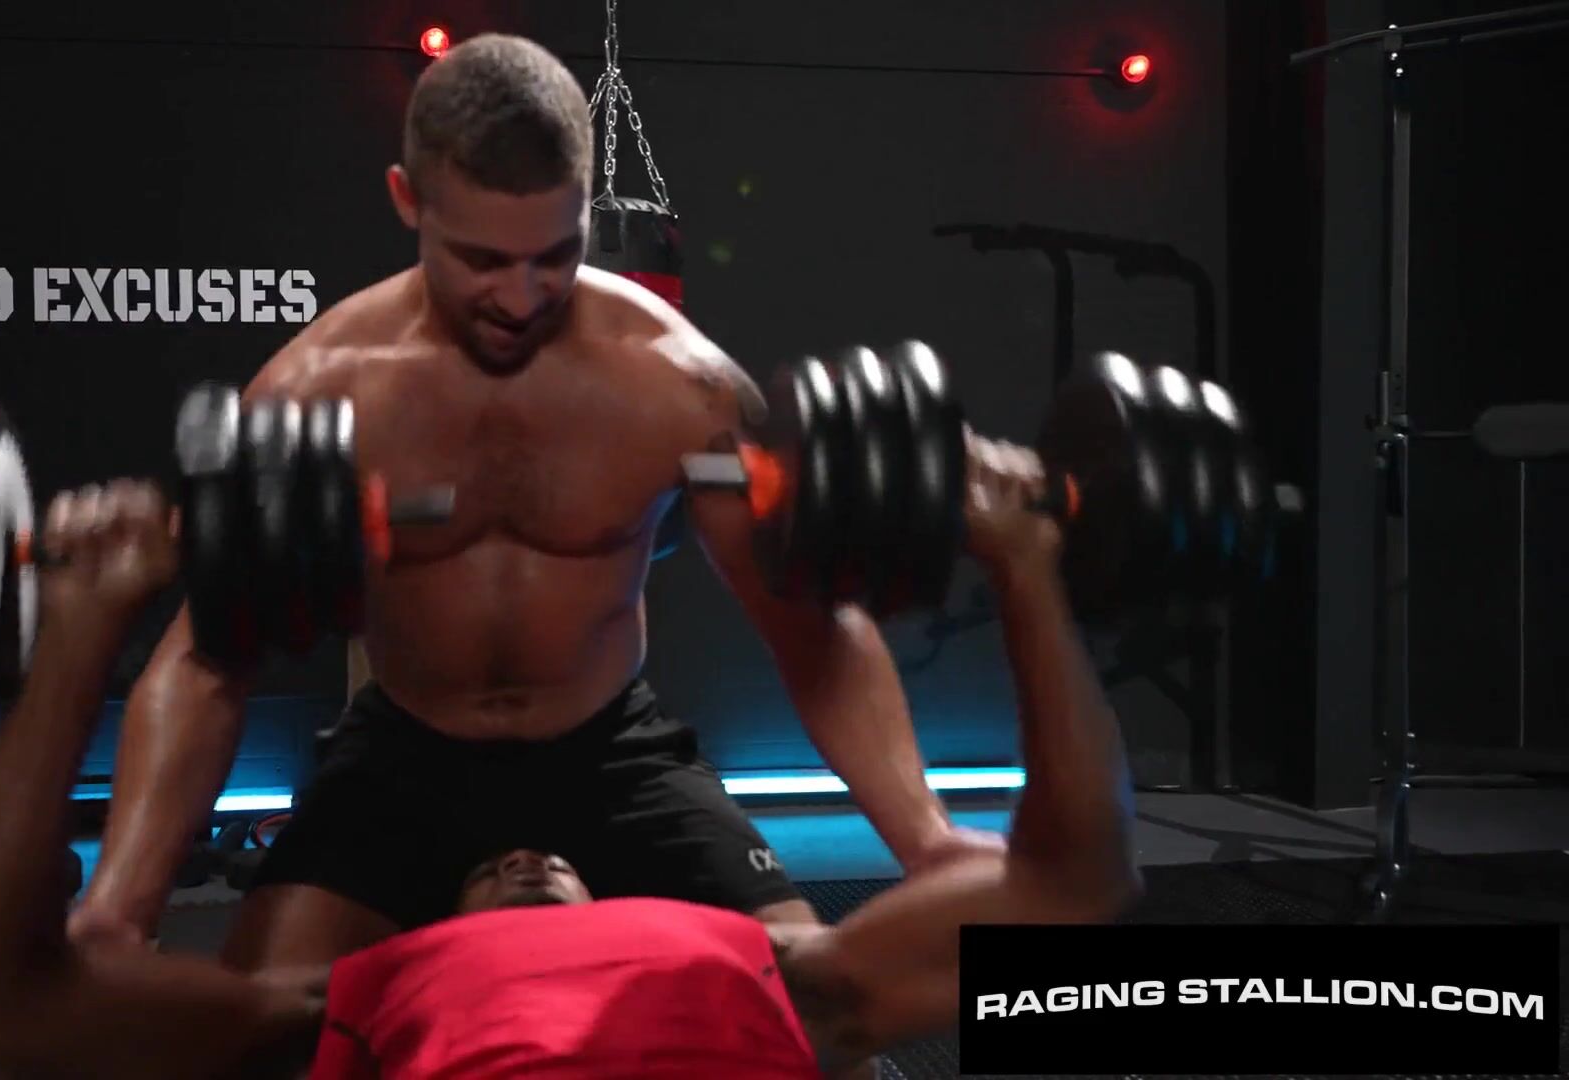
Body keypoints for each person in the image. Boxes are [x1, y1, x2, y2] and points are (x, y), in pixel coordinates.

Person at [70, 32, 961, 962]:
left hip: (610, 752)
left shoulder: (674, 385)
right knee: (260, 1013)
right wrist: (121, 907)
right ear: (408, 200)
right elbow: (207, 660)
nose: (523, 297)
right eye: (483, 260)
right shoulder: (323, 391)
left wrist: (928, 840)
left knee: (803, 999)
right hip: (405, 758)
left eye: (556, 254)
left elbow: (811, 630)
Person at [0, 465, 1138, 1079]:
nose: (526, 855)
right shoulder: (756, 983)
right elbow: (1073, 881)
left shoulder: (352, 1007)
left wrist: (81, 630)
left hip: (610, 741)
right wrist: (1024, 568)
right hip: (410, 746)